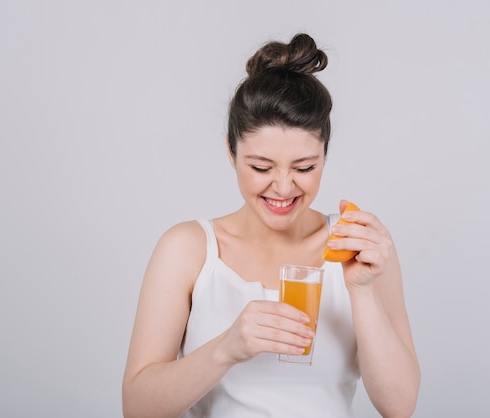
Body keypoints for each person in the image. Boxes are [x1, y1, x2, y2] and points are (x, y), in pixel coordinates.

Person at [122, 33, 420, 418]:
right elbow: (137, 408)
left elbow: (399, 407)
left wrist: (361, 291)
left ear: (325, 157)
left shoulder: (357, 247)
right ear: (231, 153)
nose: (283, 187)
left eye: (305, 167)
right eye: (261, 167)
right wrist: (226, 348)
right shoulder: (188, 249)